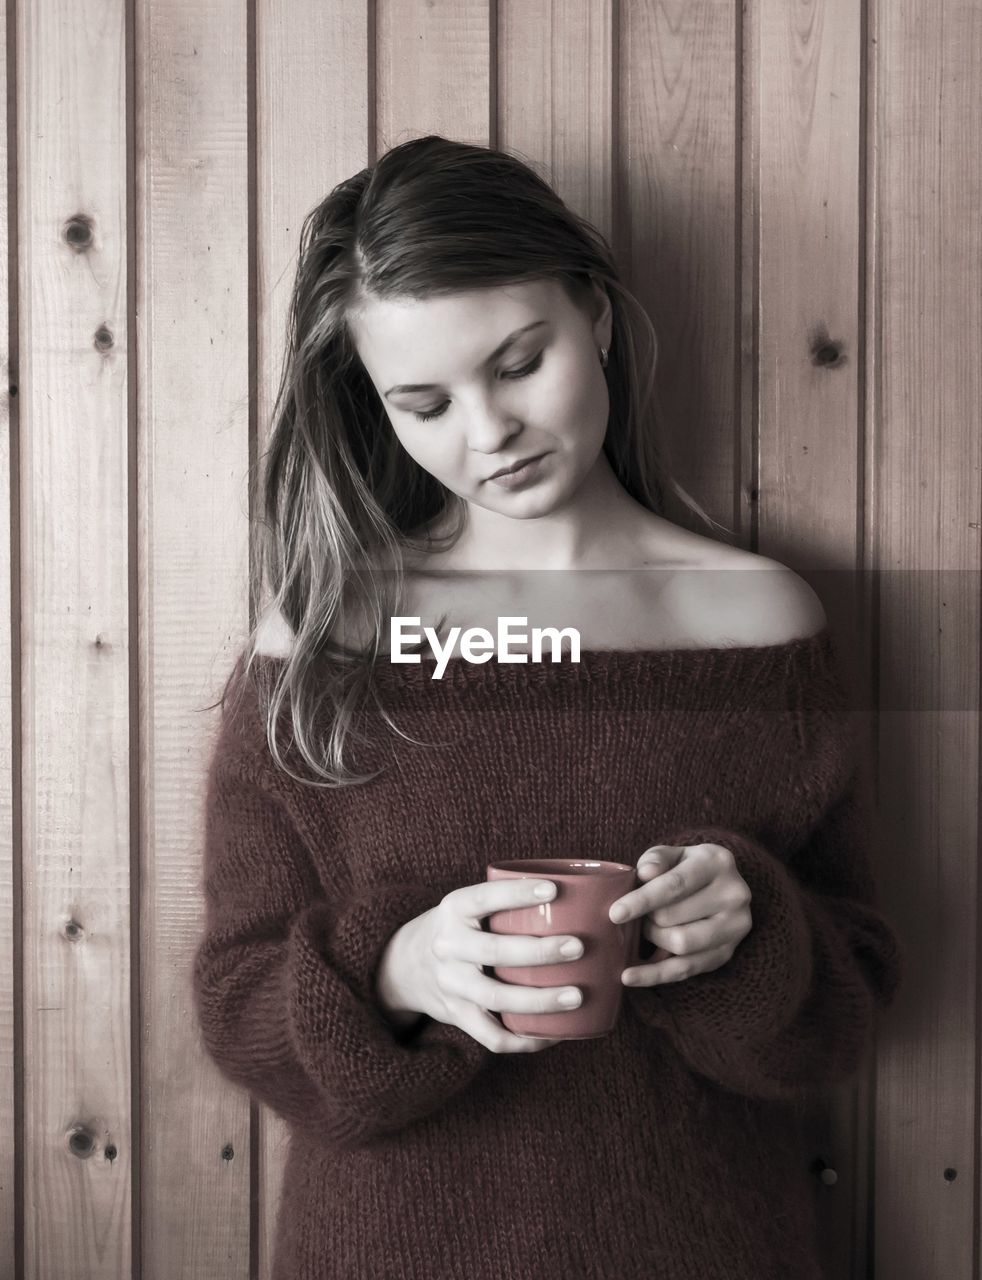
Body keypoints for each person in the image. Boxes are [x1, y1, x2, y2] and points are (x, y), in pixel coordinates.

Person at [191, 135, 904, 1280]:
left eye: (520, 361)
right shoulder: (327, 637)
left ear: (598, 317)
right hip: (384, 1248)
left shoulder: (756, 623)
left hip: (705, 1243)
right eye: (423, 403)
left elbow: (850, 997)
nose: (487, 434)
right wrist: (399, 971)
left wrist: (752, 926)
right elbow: (237, 999)